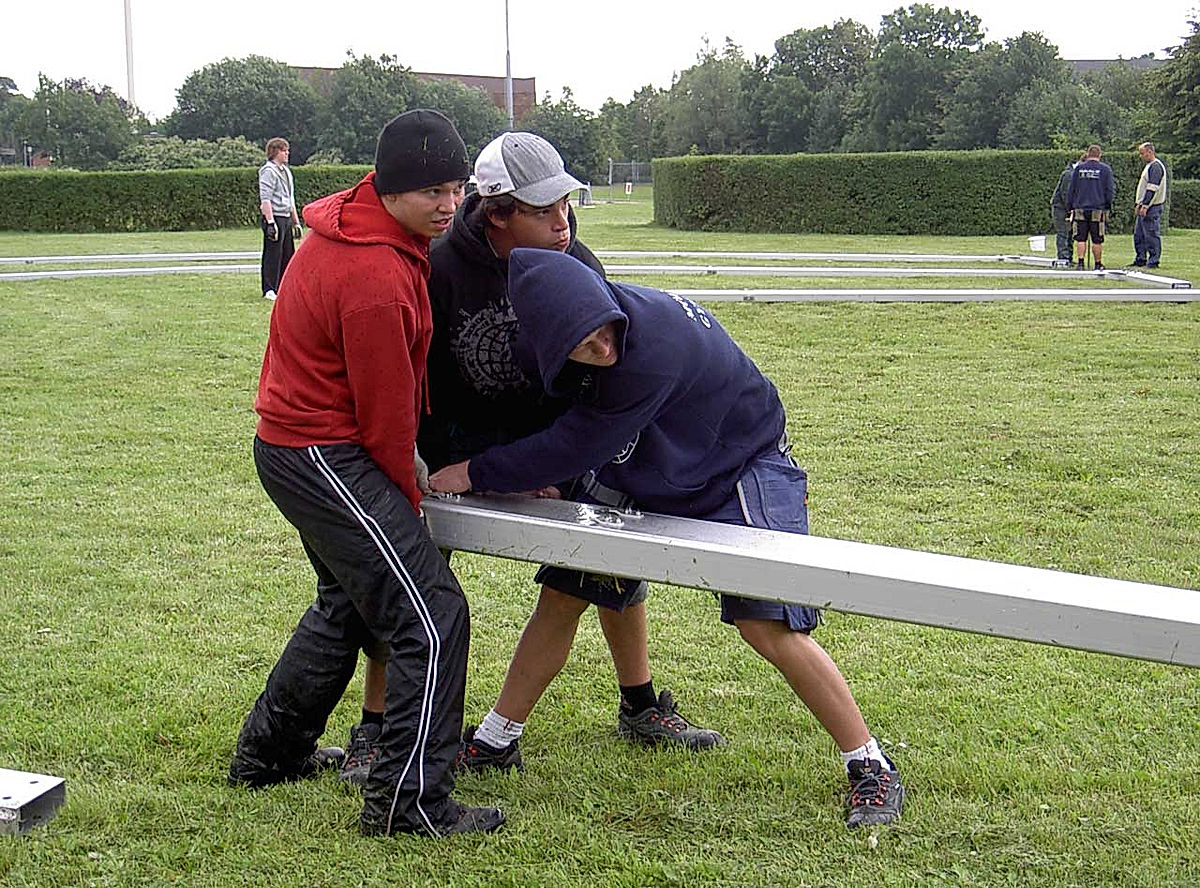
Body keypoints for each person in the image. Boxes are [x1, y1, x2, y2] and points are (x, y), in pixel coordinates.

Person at [429, 248, 907, 829]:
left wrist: (476, 473)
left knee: (767, 619)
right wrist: (529, 471)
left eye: (603, 330)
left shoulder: (652, 350)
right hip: (650, 451)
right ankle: (502, 739)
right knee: (570, 587)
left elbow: (571, 445)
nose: (602, 345)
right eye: (581, 343)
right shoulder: (544, 345)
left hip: (741, 461)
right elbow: (546, 423)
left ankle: (870, 764)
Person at [337, 132, 722, 780]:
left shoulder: (578, 262)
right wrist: (441, 463)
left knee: (610, 555)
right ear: (496, 214)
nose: (561, 223)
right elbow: (408, 374)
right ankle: (375, 731)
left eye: (566, 205)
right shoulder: (436, 268)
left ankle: (640, 705)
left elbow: (597, 385)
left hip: (546, 450)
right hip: (448, 451)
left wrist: (544, 468)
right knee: (406, 582)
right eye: (543, 211)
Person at [227, 109, 505, 838]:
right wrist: (407, 501)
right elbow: (386, 420)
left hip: (293, 448)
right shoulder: (374, 273)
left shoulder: (363, 223)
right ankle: (409, 805)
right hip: (322, 452)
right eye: (433, 192)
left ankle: (269, 755)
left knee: (345, 605)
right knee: (433, 615)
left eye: (457, 187)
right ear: (391, 188)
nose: (450, 205)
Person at [258, 137, 302, 301]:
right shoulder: (268, 171)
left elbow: (290, 199)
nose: (287, 154)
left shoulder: (286, 172)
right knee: (273, 253)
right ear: (276, 151)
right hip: (274, 216)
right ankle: (269, 288)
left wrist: (296, 222)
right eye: (284, 151)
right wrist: (270, 222)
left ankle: (284, 286)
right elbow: (266, 199)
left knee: (287, 253)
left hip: (285, 216)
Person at [1066, 144, 1116, 271]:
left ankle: (1081, 263)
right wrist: (1108, 206)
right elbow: (1109, 190)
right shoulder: (1106, 170)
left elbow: (1071, 189)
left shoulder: (1079, 169)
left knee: (1080, 237)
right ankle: (1098, 264)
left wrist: (1069, 206)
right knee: (1097, 239)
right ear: (1100, 155)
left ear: (1088, 154)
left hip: (1080, 207)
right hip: (1098, 208)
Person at [1130, 142, 1168, 269]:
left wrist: (1145, 205)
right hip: (1144, 206)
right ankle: (1140, 258)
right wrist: (1139, 203)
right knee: (1139, 235)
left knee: (1151, 234)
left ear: (1150, 152)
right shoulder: (1149, 166)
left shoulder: (1156, 167)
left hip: (1152, 207)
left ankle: (1153, 260)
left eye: (1142, 153)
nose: (1141, 156)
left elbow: (1152, 188)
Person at [1050, 157, 1078, 263]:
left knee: (1070, 233)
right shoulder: (1068, 175)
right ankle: (1063, 257)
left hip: (1067, 207)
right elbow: (1065, 194)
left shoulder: (1073, 174)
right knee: (1063, 232)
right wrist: (1070, 209)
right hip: (1060, 208)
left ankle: (1069, 257)